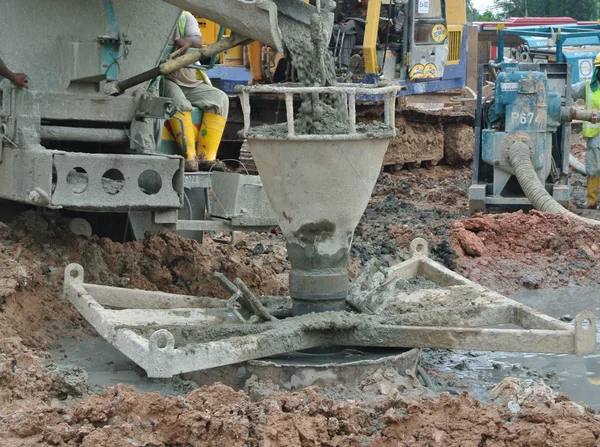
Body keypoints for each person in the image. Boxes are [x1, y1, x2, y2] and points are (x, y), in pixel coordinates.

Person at [163, 11, 229, 171]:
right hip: (161, 80)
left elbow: (197, 41)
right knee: (179, 102)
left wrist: (185, 42)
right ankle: (189, 158)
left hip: (189, 79)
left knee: (220, 99)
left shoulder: (184, 17)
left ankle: (206, 158)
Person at [572, 53, 600, 208]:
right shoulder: (588, 86)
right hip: (595, 136)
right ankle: (591, 200)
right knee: (593, 168)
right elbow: (570, 90)